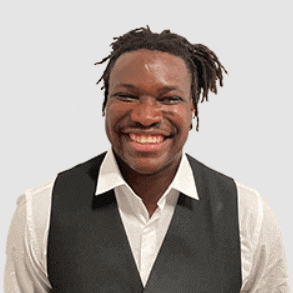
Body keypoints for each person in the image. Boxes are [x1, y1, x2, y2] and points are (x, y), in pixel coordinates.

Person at [4, 26, 290, 292]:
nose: (145, 117)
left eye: (168, 99)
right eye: (127, 96)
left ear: (192, 109)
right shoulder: (40, 212)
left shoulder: (248, 215)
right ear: (106, 104)